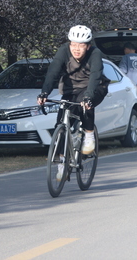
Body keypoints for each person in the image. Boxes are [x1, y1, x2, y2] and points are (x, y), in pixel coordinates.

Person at [37, 25, 110, 166]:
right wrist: (44, 92)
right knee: (61, 122)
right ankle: (61, 161)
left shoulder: (95, 53)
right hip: (71, 89)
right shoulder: (63, 51)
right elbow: (53, 72)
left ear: (88, 46)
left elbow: (95, 76)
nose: (76, 49)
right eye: (73, 45)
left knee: (86, 104)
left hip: (95, 86)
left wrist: (89, 96)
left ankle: (89, 134)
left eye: (81, 45)